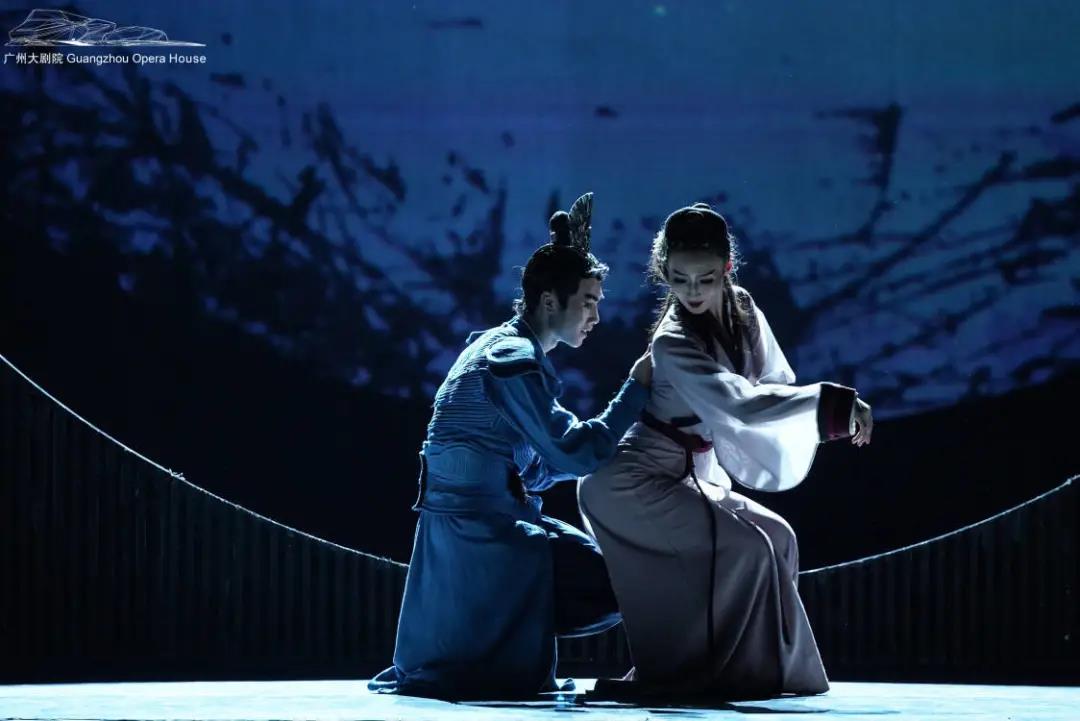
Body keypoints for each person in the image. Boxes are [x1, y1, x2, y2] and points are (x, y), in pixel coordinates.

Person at [578, 203, 873, 700]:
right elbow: (741, 405)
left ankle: (765, 673)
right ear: (663, 272)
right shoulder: (672, 342)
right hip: (632, 481)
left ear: (727, 268)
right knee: (744, 549)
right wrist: (832, 405)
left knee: (779, 537)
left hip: (692, 472)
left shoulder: (743, 308)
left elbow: (774, 381)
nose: (692, 291)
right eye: (679, 279)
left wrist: (817, 412)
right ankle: (705, 676)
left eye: (705, 278)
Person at [369, 193, 652, 700]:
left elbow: (533, 469)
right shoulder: (509, 357)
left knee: (605, 573)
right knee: (608, 582)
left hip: (477, 522)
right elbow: (571, 451)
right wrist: (635, 390)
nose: (595, 316)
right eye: (588, 301)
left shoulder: (497, 346)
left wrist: (611, 453)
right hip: (478, 534)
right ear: (550, 301)